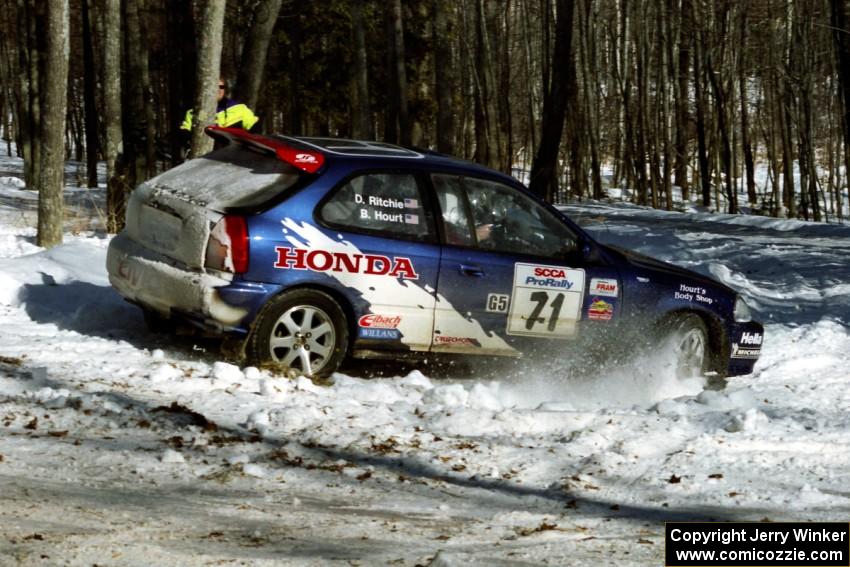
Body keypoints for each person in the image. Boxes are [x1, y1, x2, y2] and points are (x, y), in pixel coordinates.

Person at [180, 78, 259, 134]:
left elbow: (253, 127)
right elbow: (185, 131)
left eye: (221, 87)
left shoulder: (240, 109)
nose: (219, 90)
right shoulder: (193, 112)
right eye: (215, 86)